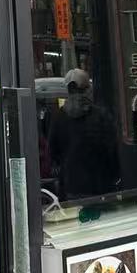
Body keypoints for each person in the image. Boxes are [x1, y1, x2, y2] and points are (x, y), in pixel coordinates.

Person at [47, 68, 119, 201]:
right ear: (87, 89)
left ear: (68, 90)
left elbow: (52, 152)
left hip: (70, 185)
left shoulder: (58, 117)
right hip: (99, 185)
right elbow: (111, 150)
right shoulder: (100, 116)